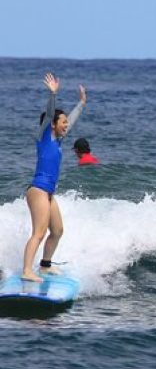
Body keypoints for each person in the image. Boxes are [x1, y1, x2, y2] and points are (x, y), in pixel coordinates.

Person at [22, 73, 87, 282]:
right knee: (39, 233)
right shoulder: (44, 137)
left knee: (57, 231)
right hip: (38, 190)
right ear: (53, 125)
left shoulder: (58, 141)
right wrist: (53, 95)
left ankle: (45, 266)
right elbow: (50, 115)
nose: (67, 125)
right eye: (63, 122)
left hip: (49, 193)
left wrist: (82, 103)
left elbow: (73, 120)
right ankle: (26, 271)